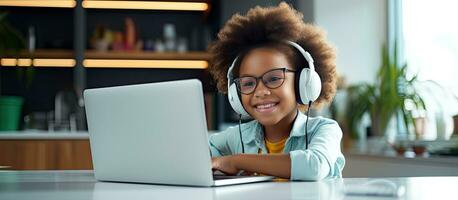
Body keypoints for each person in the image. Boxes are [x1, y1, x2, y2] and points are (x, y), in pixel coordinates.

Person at [208, 2, 345, 181]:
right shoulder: (239, 136)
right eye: (248, 83)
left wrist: (238, 161)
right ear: (236, 94)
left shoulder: (324, 129)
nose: (260, 92)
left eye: (273, 78)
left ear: (303, 83)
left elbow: (314, 166)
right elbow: (199, 153)